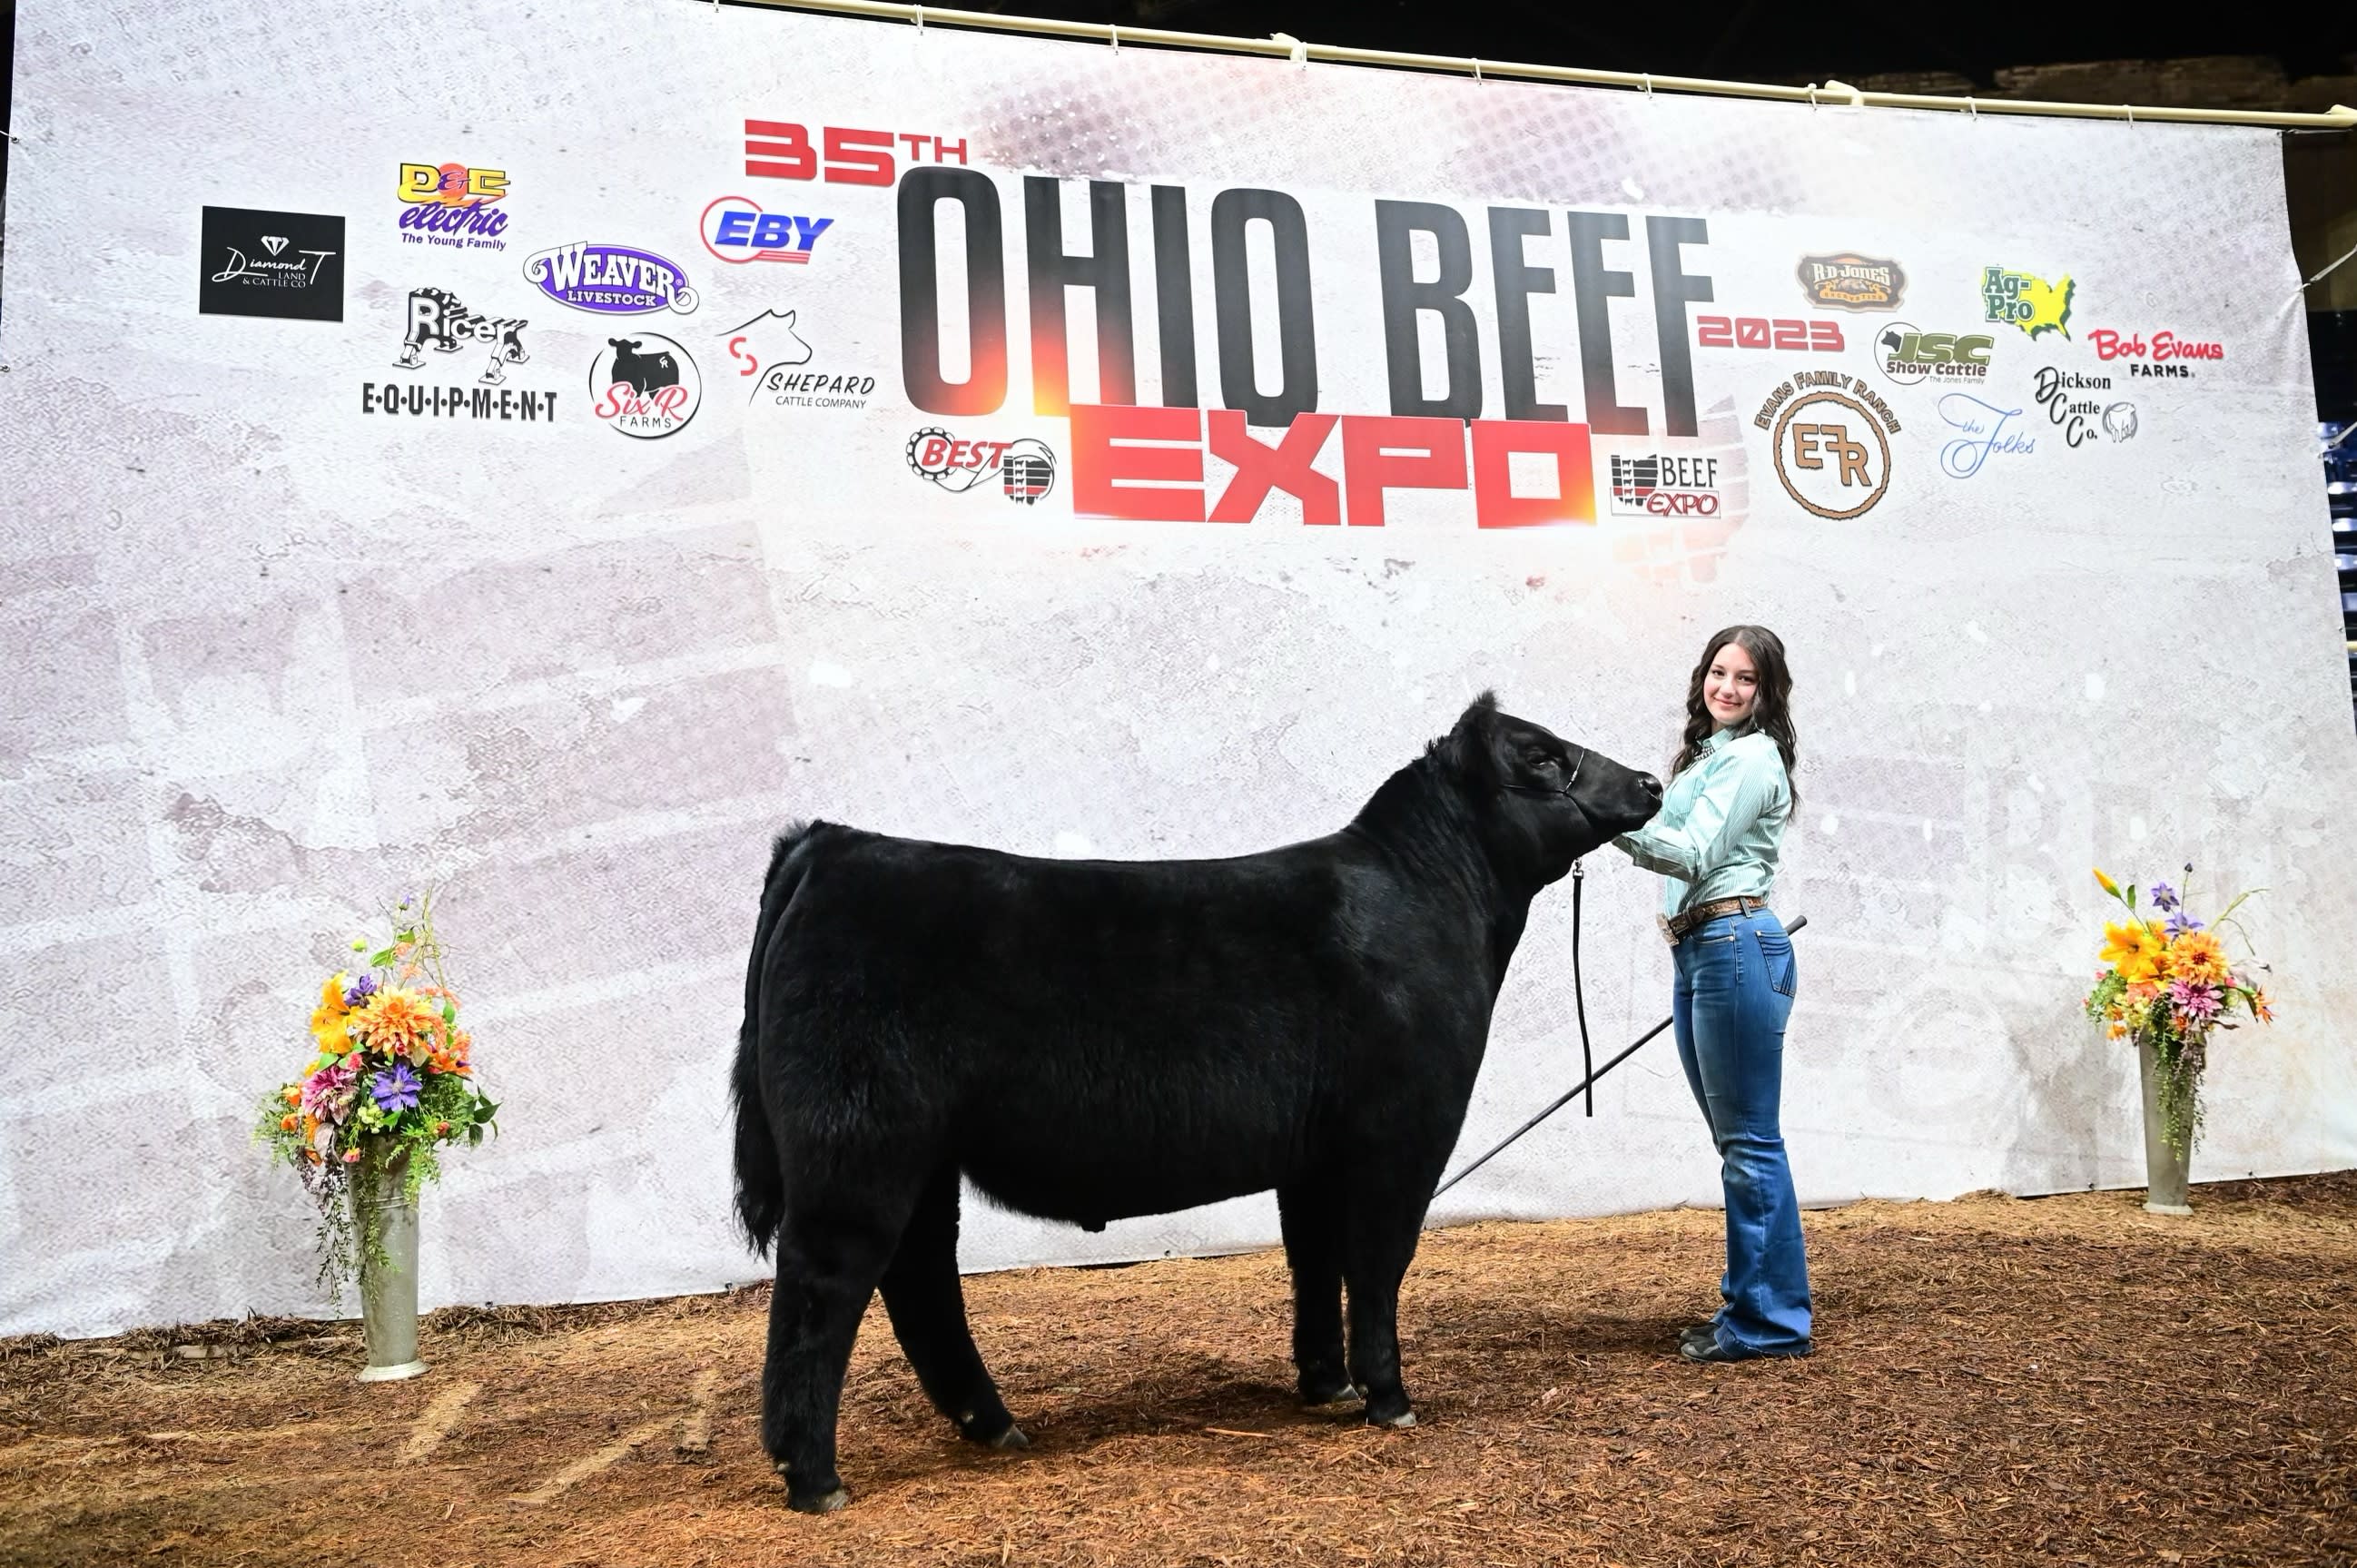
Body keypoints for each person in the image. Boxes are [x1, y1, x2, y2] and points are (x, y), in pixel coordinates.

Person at [1610, 625, 1810, 1363]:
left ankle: (1769, 1324)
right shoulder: (1708, 757)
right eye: (1718, 672)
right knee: (1741, 1144)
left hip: (1732, 946)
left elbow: (1690, 852)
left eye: (1745, 679)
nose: (1726, 687)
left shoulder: (1754, 760)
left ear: (1767, 691)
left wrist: (1603, 818)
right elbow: (1664, 832)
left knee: (1751, 1143)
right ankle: (1752, 1308)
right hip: (1702, 949)